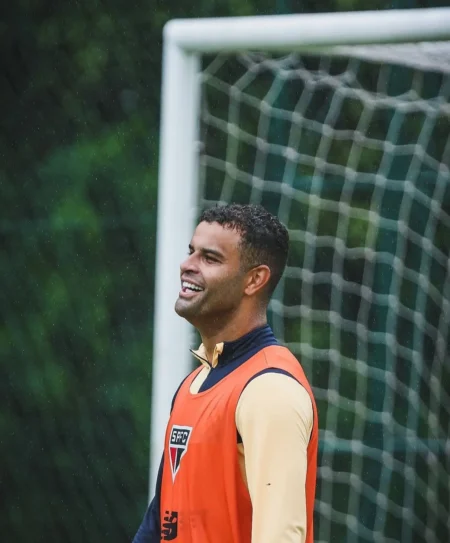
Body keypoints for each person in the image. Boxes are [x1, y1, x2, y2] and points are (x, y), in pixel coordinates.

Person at [133, 203, 318, 543]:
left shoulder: (270, 389)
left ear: (255, 280)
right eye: (191, 252)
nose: (187, 265)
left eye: (210, 258)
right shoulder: (195, 383)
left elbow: (280, 536)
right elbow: (158, 525)